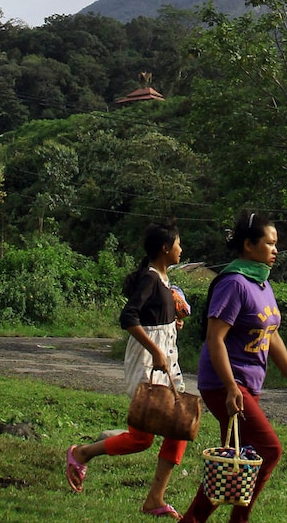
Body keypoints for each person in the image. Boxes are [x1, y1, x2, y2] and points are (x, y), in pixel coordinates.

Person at [180, 210, 287, 523]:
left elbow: (273, 336)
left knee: (237, 458)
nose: (275, 250)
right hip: (223, 383)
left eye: (276, 244)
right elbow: (215, 339)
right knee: (269, 449)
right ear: (248, 246)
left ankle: (193, 519)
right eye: (269, 243)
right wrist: (229, 387)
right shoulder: (234, 283)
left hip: (246, 386)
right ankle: (239, 519)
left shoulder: (263, 285)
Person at [66, 221, 189, 519]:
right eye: (178, 244)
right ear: (165, 248)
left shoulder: (163, 279)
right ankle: (81, 453)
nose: (181, 249)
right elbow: (129, 317)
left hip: (166, 361)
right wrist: (154, 349)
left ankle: (155, 499)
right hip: (148, 363)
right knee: (141, 439)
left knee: (180, 428)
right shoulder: (149, 278)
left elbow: (153, 319)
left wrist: (172, 323)